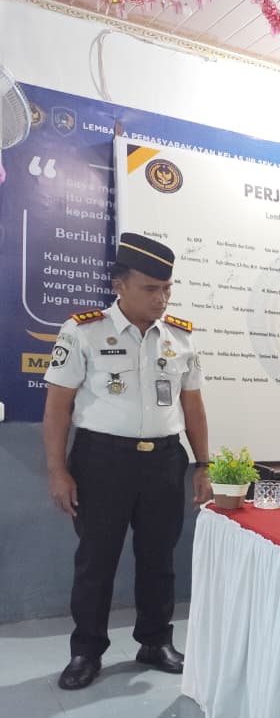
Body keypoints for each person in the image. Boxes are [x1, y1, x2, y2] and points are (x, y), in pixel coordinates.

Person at [42, 233, 211, 690]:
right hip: (101, 461)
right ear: (120, 284)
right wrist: (58, 471)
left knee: (159, 557)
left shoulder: (179, 337)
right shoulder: (84, 331)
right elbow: (57, 407)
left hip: (164, 461)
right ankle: (86, 651)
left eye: (167, 288)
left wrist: (203, 464)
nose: (161, 298)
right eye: (150, 288)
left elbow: (193, 407)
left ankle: (154, 641)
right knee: (96, 559)